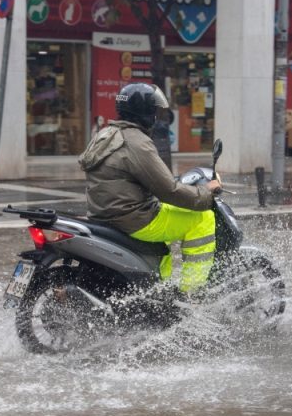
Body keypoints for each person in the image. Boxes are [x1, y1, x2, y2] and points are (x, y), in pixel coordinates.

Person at [78, 83, 222, 296]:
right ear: (144, 112)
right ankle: (192, 293)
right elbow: (169, 190)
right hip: (133, 218)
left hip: (104, 213)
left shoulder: (106, 133)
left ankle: (158, 292)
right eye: (154, 110)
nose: (156, 115)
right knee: (203, 219)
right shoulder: (137, 142)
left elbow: (133, 177)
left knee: (167, 220)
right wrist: (206, 192)